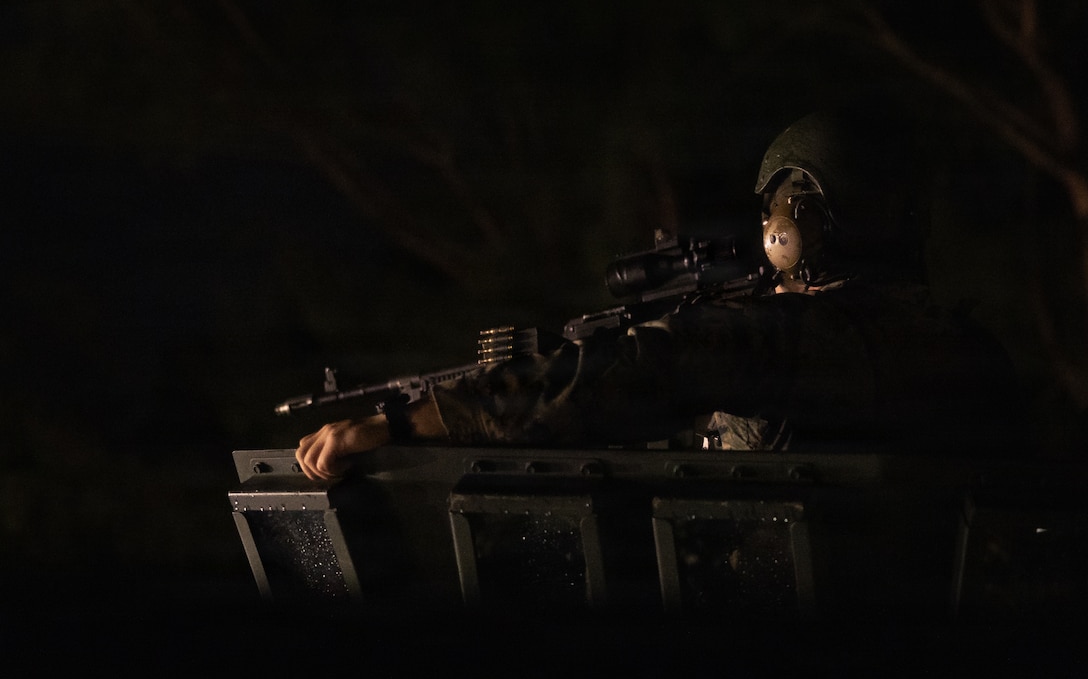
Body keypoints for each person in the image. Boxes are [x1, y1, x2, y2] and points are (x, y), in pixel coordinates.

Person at [296, 108, 1018, 481]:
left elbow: (658, 367)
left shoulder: (831, 336)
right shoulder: (919, 334)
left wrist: (405, 424)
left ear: (794, 223)